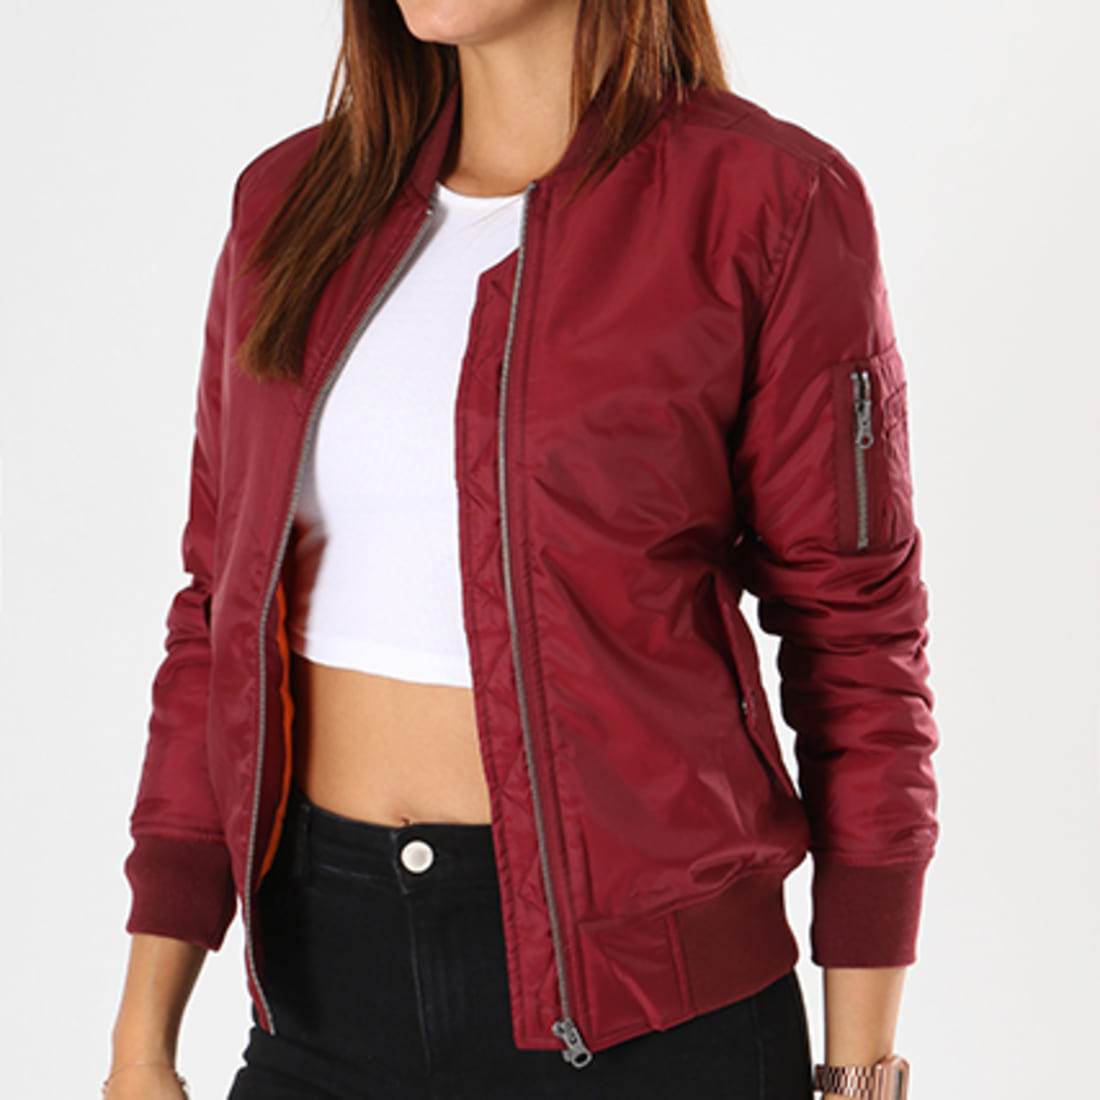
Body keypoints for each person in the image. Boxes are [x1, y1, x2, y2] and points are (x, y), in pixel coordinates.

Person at [103, 0, 940, 1095]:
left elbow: (856, 636)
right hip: (323, 983)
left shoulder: (766, 200)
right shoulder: (292, 201)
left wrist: (860, 1070)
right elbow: (218, 612)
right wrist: (141, 1041)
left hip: (653, 1011)